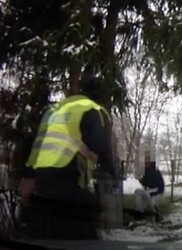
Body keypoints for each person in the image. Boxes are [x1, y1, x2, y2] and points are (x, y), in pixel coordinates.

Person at [18, 77, 115, 239]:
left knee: (52, 223)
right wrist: (108, 167)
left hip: (42, 180)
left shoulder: (54, 110)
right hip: (64, 176)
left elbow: (37, 143)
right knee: (89, 208)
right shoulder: (90, 108)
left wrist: (29, 175)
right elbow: (99, 145)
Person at [133, 149, 165, 223]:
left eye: (147, 161)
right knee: (138, 191)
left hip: (157, 191)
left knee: (149, 195)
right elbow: (146, 183)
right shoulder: (146, 171)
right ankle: (139, 212)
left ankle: (157, 213)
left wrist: (154, 193)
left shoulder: (156, 172)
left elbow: (161, 186)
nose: (145, 162)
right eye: (145, 161)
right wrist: (141, 180)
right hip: (149, 190)